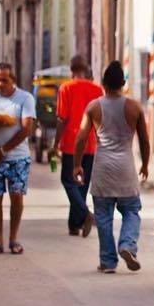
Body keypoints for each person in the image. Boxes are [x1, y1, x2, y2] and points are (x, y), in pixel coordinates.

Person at [74, 61, 150, 273]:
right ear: (123, 84)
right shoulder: (134, 107)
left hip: (103, 170)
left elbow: (80, 139)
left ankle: (108, 262)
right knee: (132, 210)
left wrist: (77, 165)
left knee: (103, 217)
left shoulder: (93, 107)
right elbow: (144, 140)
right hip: (126, 170)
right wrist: (145, 164)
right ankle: (127, 244)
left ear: (104, 83)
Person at [0, 63, 36, 255]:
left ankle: (13, 239)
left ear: (13, 80)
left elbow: (26, 129)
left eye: (4, 80)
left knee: (16, 196)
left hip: (17, 157)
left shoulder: (25, 98)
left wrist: (3, 151)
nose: (0, 84)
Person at [54, 55, 103, 237]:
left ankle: (84, 214)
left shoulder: (66, 88)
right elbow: (101, 119)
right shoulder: (97, 90)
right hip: (90, 143)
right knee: (82, 184)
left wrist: (55, 143)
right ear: (86, 69)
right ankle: (74, 224)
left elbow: (62, 118)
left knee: (68, 180)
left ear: (71, 69)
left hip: (71, 143)